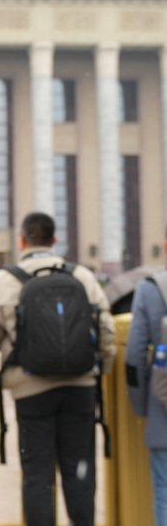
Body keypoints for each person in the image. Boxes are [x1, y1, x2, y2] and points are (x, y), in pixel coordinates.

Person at [0, 212, 115, 526]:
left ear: (22, 241)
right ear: (55, 240)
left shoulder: (3, 280)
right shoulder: (82, 276)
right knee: (79, 471)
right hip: (80, 387)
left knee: (37, 474)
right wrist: (101, 370)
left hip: (31, 389)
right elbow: (106, 331)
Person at [126, 224, 167, 526]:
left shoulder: (151, 289)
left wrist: (141, 407)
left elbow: (134, 356)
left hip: (162, 410)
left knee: (164, 492)